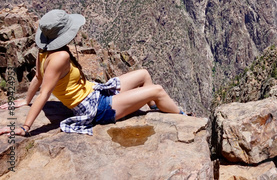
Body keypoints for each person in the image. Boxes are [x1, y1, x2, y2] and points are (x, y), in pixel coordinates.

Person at [0, 9, 183, 136]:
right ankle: (181, 119)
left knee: (144, 74)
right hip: (95, 108)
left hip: (94, 92)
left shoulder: (44, 50)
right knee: (157, 90)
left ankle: (156, 110)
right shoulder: (60, 57)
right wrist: (25, 127)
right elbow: (45, 92)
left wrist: (25, 100)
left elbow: (38, 78)